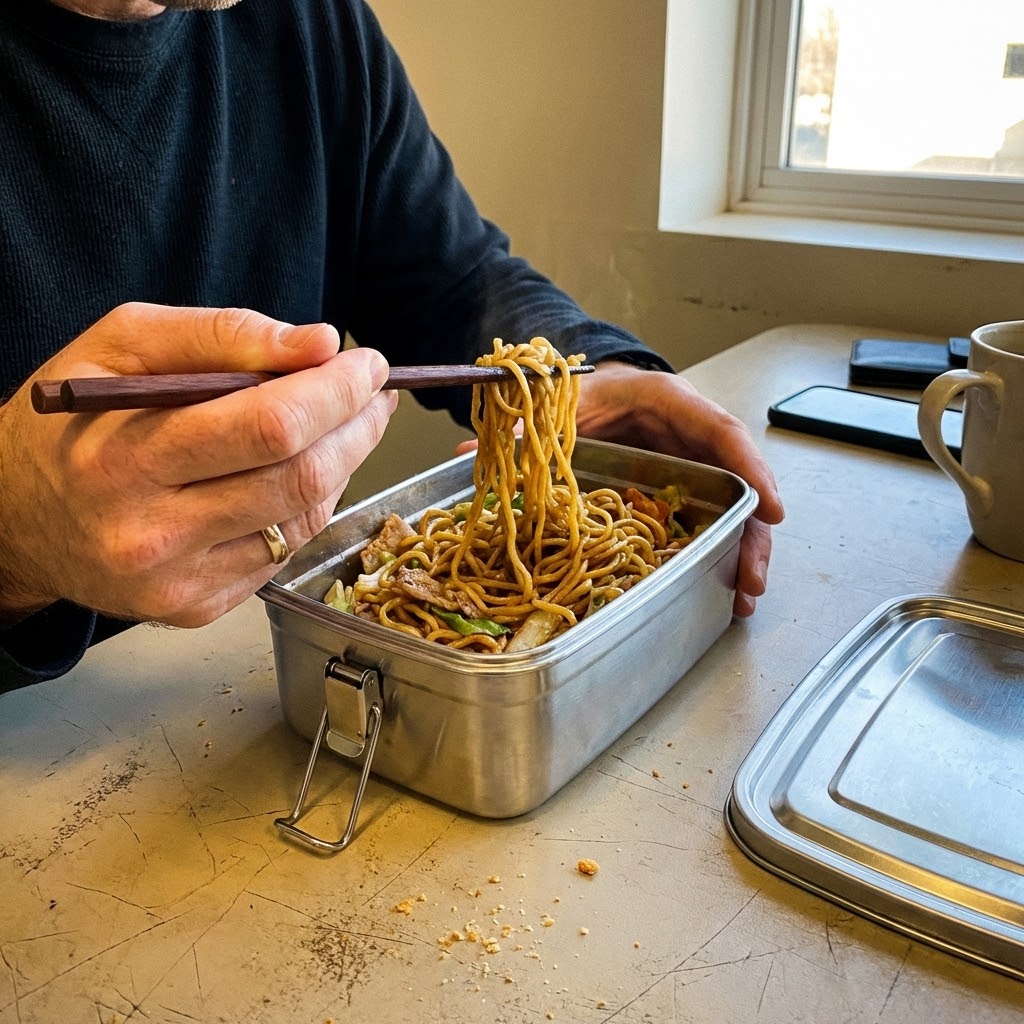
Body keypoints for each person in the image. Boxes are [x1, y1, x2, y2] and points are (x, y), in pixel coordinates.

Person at [0, 0, 784, 692]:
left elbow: (452, 279)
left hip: (237, 704)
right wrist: (13, 536)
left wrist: (586, 366)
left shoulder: (310, 24)